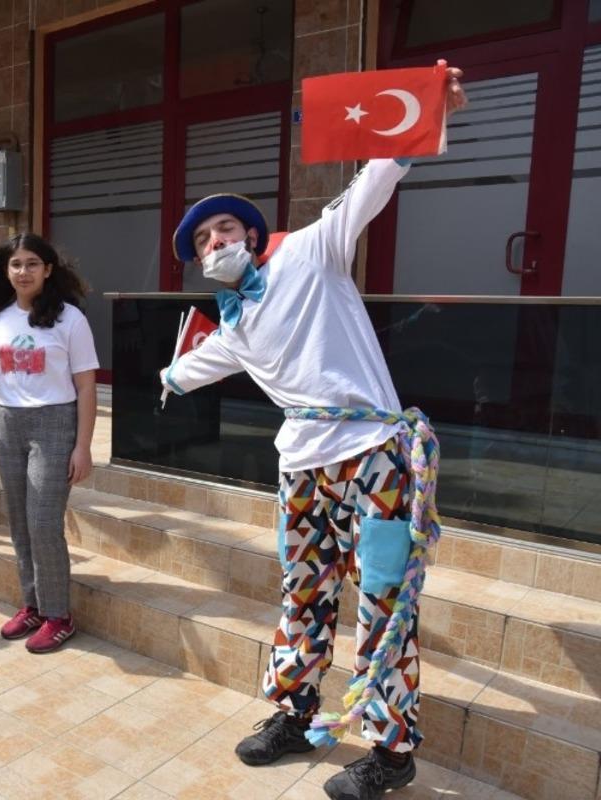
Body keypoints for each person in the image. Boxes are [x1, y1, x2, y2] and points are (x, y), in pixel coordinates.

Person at [159, 62, 467, 800]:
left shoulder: (312, 251)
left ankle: (391, 754)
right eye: (202, 241)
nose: (214, 242)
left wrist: (430, 107)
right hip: (301, 468)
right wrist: (169, 375)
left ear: (252, 232)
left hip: (375, 458)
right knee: (302, 596)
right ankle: (293, 714)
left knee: (385, 605)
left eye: (224, 228)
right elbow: (187, 373)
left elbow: (377, 179)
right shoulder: (231, 326)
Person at [0, 233, 98, 654]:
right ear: (6, 271)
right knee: (18, 521)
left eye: (33, 263)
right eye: (16, 264)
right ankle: (31, 603)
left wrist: (83, 446)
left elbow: (86, 387)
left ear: (48, 269)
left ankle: (58, 615)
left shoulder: (71, 320)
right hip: (8, 423)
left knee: (44, 523)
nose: (23, 271)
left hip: (55, 423)